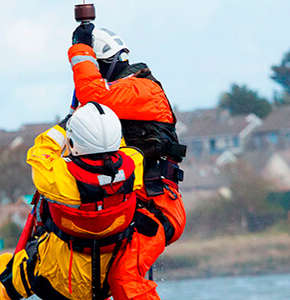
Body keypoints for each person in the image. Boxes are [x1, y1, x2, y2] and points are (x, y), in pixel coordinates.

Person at [68, 24, 188, 300]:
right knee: (91, 277)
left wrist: (80, 50)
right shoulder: (109, 105)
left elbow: (94, 94)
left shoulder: (142, 90)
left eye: (93, 70)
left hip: (157, 204)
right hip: (127, 204)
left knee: (124, 278)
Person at [0, 102, 152, 300]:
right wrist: (100, 126)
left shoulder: (59, 178)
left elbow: (40, 152)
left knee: (27, 261)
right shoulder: (134, 164)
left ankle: (9, 287)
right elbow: (121, 148)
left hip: (58, 282)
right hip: (108, 281)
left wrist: (64, 125)